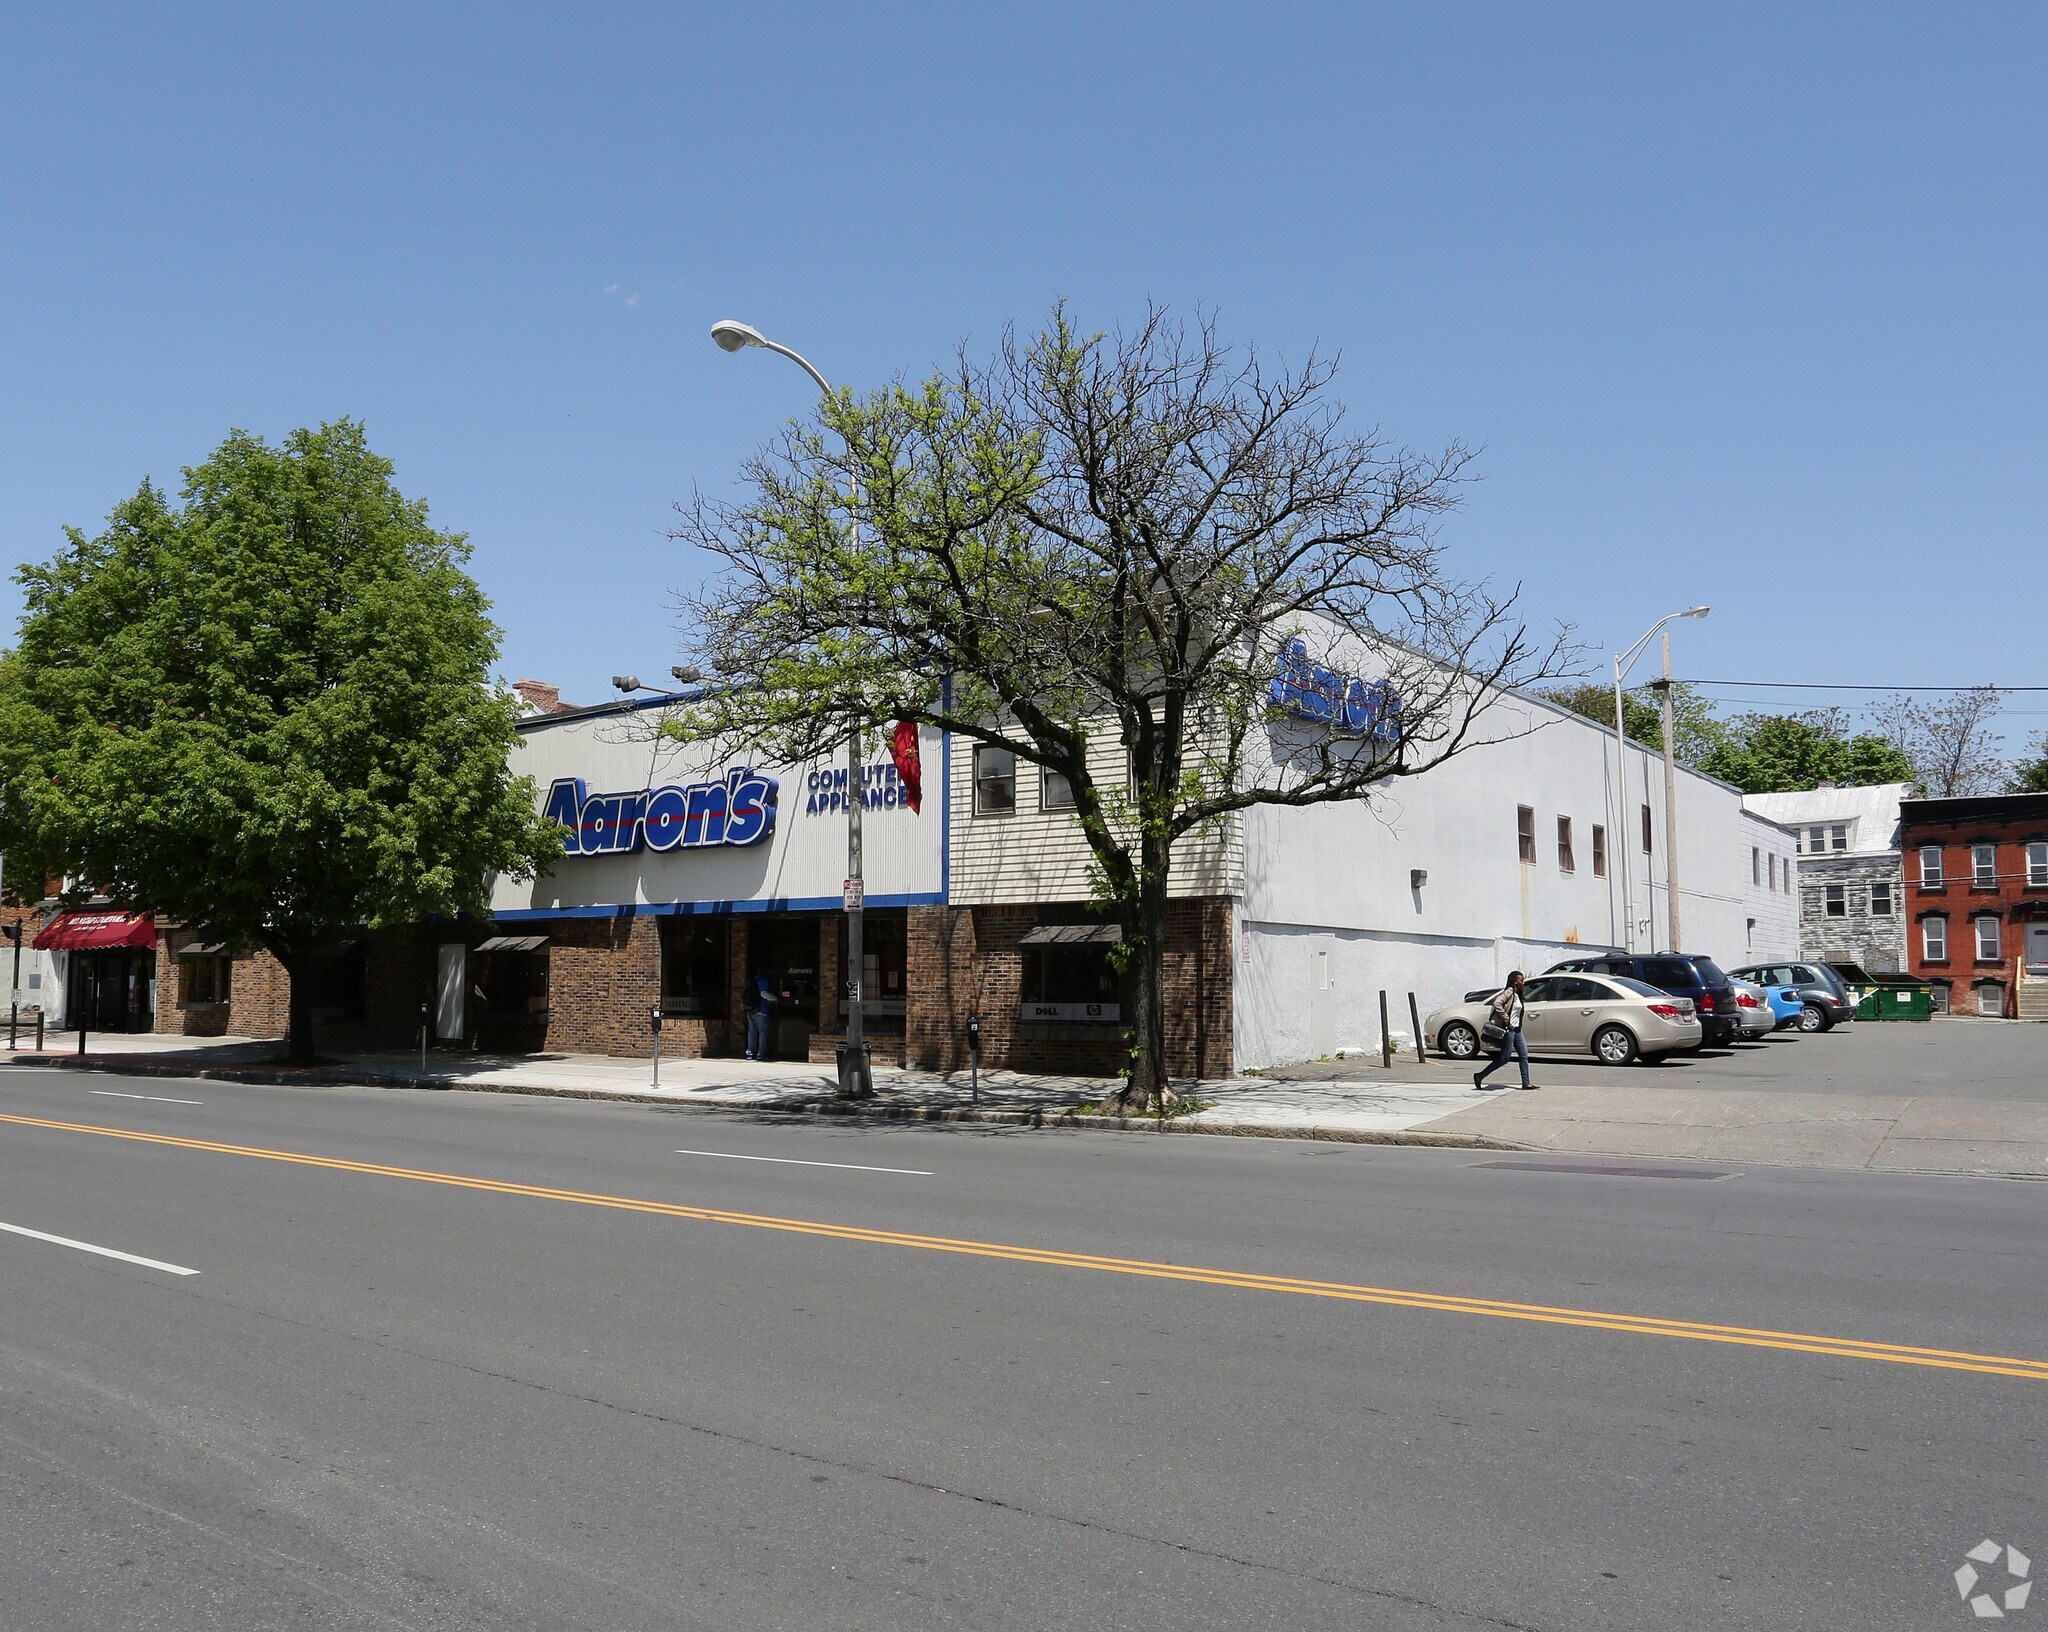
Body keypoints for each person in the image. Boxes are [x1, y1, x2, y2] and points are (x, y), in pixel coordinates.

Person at [1473, 970, 1538, 1091]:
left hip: (1517, 1030)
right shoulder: (1509, 992)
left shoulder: (1517, 994)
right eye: (1521, 980)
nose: (1523, 983)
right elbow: (1497, 1003)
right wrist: (1506, 1019)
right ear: (1515, 981)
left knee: (1523, 1055)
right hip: (1509, 1029)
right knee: (1504, 1058)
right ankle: (1480, 1075)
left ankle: (1526, 1082)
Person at [745, 973, 776, 1061]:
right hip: (761, 1010)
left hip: (750, 1009)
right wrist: (775, 998)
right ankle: (760, 1054)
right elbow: (763, 994)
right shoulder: (763, 980)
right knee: (762, 1032)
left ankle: (750, 1053)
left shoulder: (751, 980)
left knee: (751, 1032)